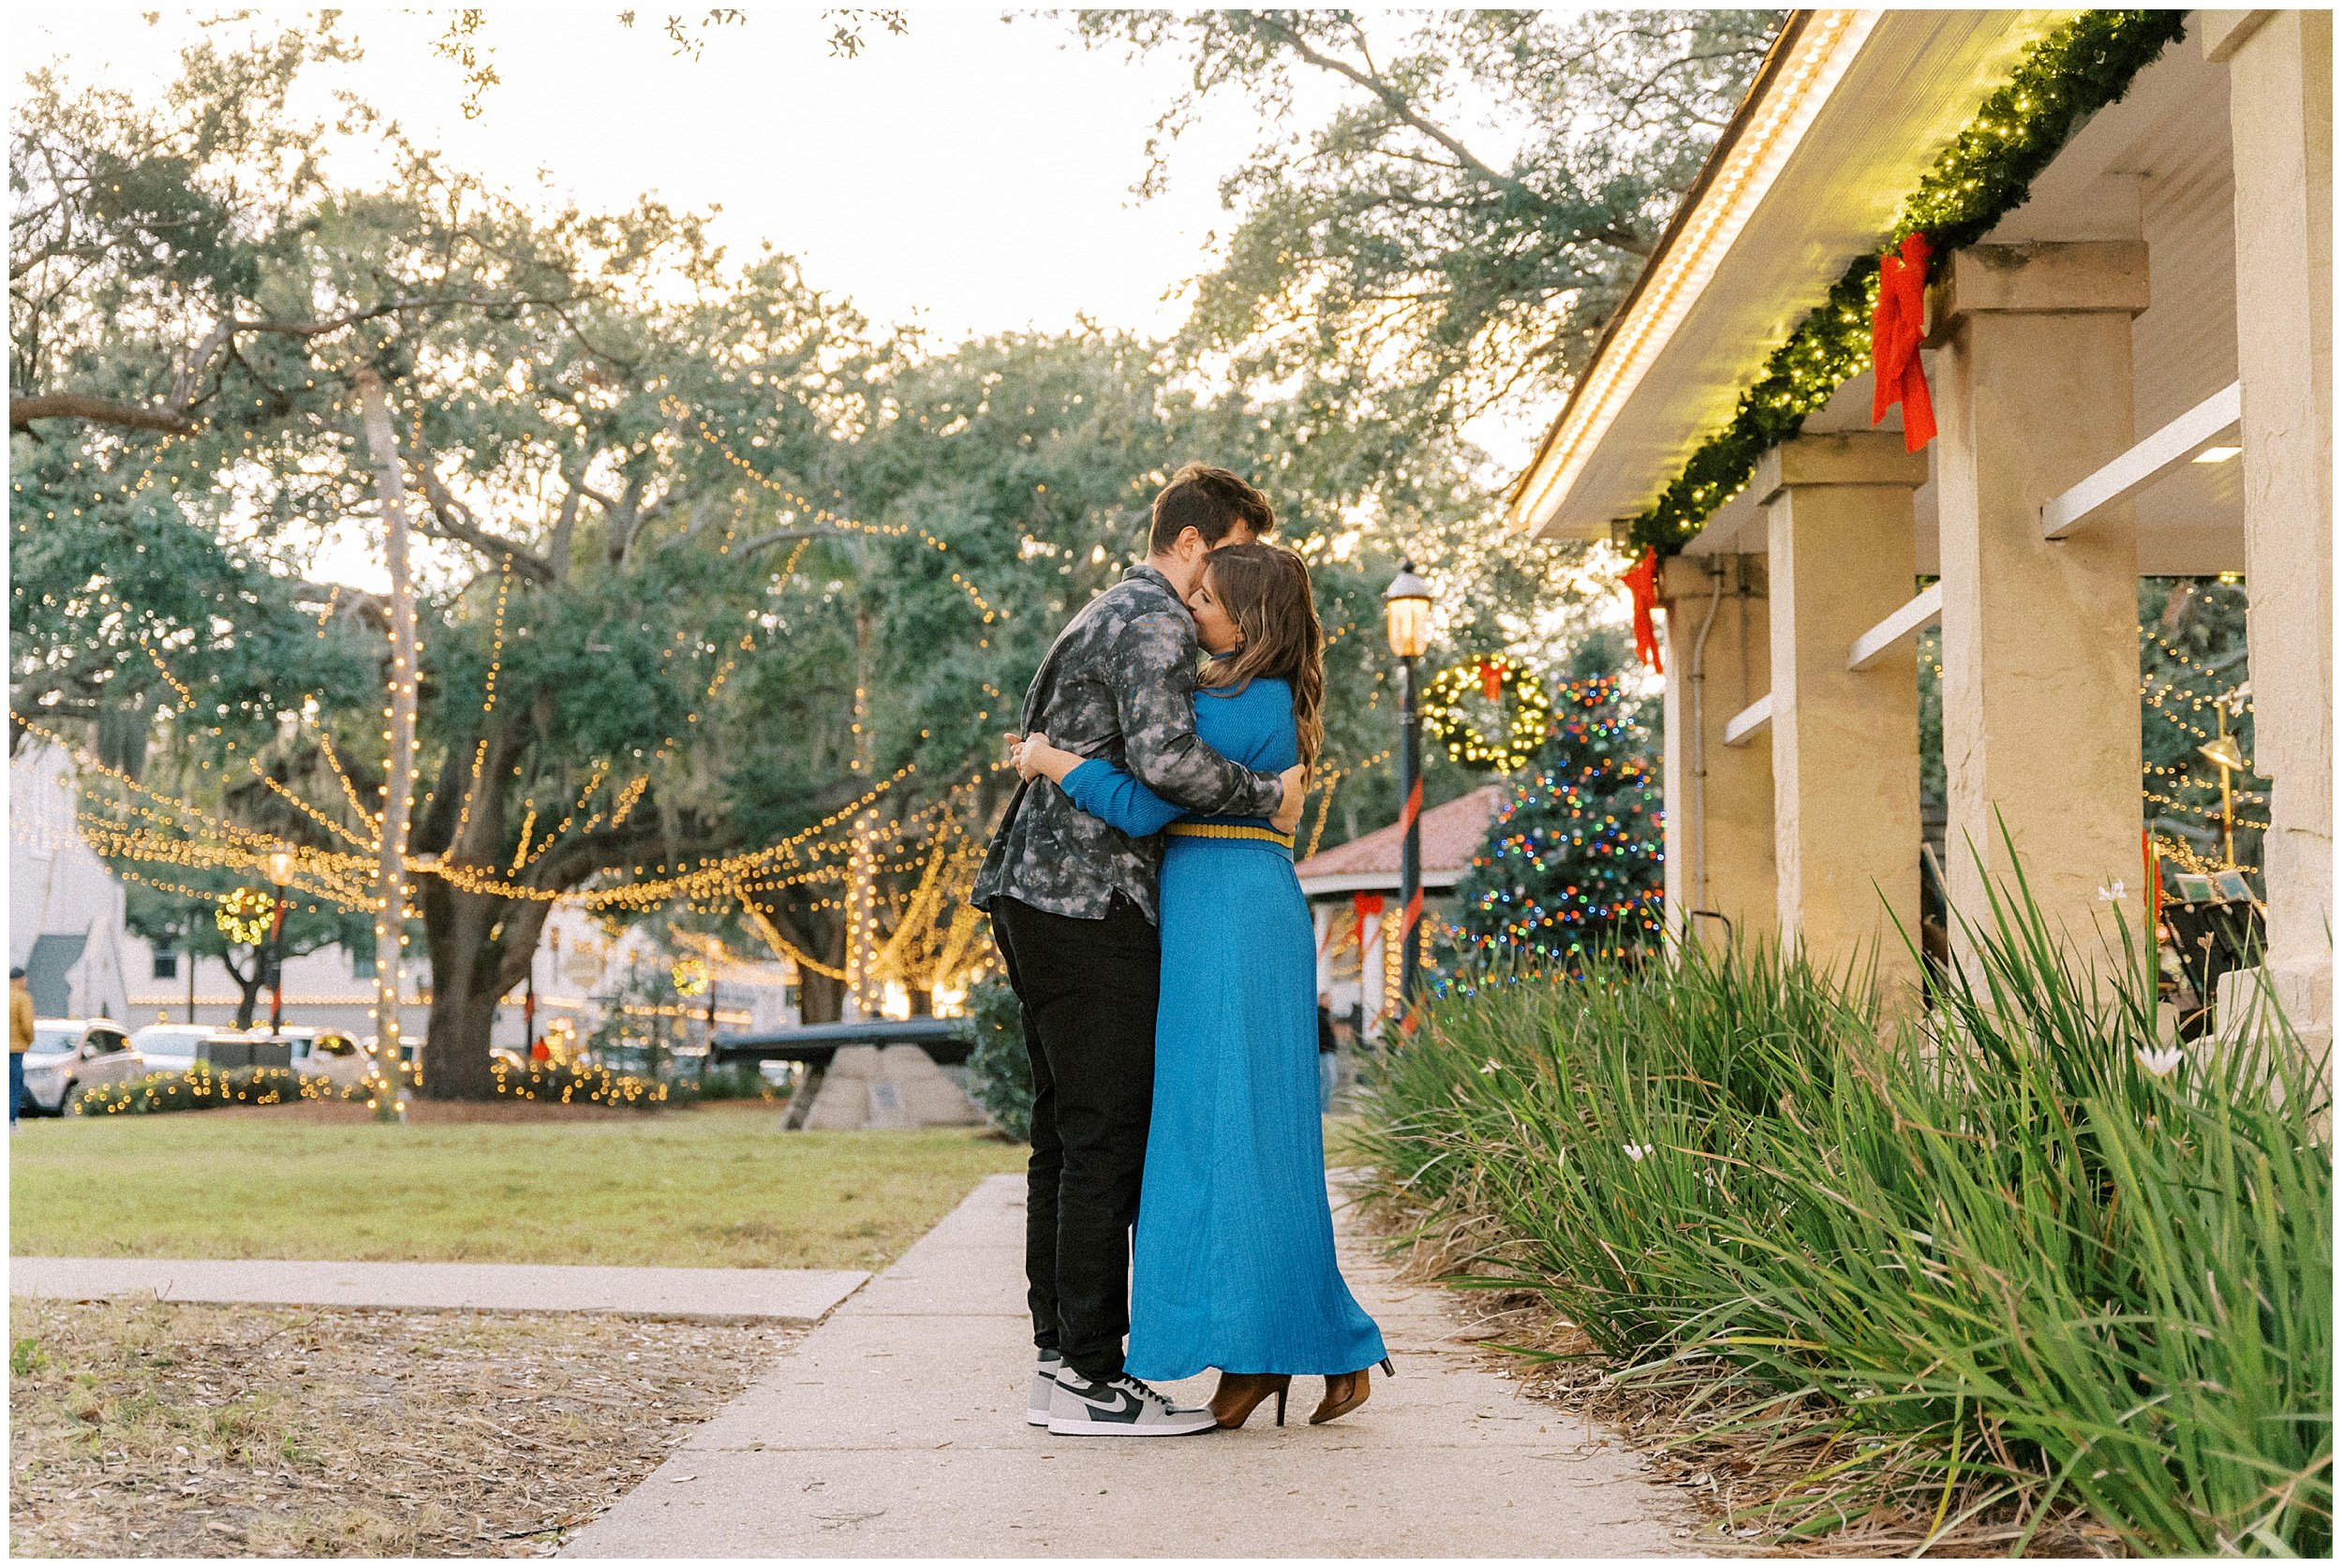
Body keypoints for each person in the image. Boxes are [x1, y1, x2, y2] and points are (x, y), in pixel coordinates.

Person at [1015, 541, 1391, 1431]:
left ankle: (1294, 1345)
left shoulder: (1244, 699)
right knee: (1215, 1130)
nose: (1193, 613)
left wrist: (1050, 757)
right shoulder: (1234, 692)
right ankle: (1285, 1347)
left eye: (1212, 602)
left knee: (1235, 1128)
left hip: (1233, 911)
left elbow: (1148, 801)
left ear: (1251, 619)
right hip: (1206, 908)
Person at [972, 464, 1309, 1438]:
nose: (1236, 577)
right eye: (1235, 551)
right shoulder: (1156, 618)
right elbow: (1166, 765)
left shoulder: (1105, 608)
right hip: (1091, 898)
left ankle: (1058, 1361)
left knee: (1066, 1139)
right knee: (1105, 1137)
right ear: (1199, 543)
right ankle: (1089, 1376)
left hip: (1036, 892)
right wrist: (1271, 795)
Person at [10, 967, 35, 1131]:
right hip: (14, 1049)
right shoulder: (22, 998)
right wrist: (30, 1040)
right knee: (13, 1085)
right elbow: (27, 1026)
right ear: (19, 979)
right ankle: (10, 1121)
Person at [1316, 992, 1341, 1115]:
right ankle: (1322, 1109)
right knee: (1328, 1079)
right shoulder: (1319, 1015)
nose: (1329, 1002)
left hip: (1328, 1050)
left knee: (1328, 1080)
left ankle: (1323, 1108)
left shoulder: (1327, 1015)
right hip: (1324, 1051)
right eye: (1327, 1000)